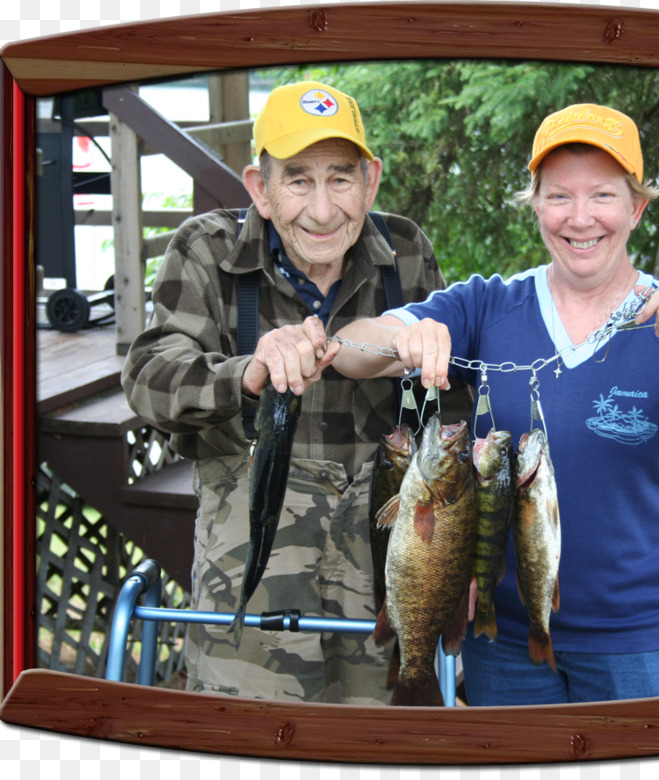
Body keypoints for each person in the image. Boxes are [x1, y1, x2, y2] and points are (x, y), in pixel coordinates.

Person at [329, 103, 659, 706]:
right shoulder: (487, 304)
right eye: (559, 196)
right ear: (534, 204)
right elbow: (351, 353)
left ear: (637, 208)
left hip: (638, 646)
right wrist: (401, 338)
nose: (580, 219)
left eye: (603, 197)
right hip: (501, 639)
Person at [121, 80, 468, 704]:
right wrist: (247, 373)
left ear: (371, 181)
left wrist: (431, 371)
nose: (323, 208)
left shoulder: (405, 251)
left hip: (383, 533)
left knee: (377, 731)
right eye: (298, 179)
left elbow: (453, 411)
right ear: (259, 187)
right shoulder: (206, 249)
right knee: (249, 739)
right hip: (251, 544)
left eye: (341, 178)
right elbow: (149, 377)